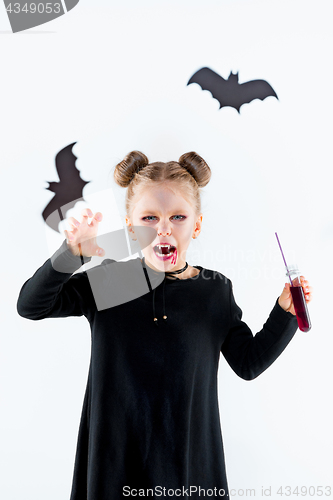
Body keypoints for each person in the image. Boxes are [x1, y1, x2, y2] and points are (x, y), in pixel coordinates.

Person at [17, 150, 313, 499]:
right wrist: (71, 254)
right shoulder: (109, 281)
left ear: (197, 224)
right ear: (130, 224)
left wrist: (285, 312)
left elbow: (248, 363)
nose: (163, 228)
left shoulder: (213, 290)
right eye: (149, 217)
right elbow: (31, 306)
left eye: (177, 217)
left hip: (189, 466)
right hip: (114, 465)